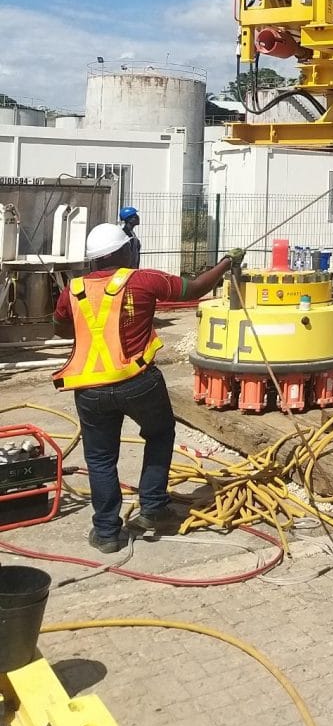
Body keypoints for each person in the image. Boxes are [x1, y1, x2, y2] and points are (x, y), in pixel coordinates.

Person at [52, 222, 244, 554]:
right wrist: (227, 262)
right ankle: (153, 509)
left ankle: (107, 532)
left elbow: (59, 328)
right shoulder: (142, 280)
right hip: (137, 382)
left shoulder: (74, 289)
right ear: (121, 252)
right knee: (159, 433)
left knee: (100, 459)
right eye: (131, 247)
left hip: (90, 390)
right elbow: (195, 288)